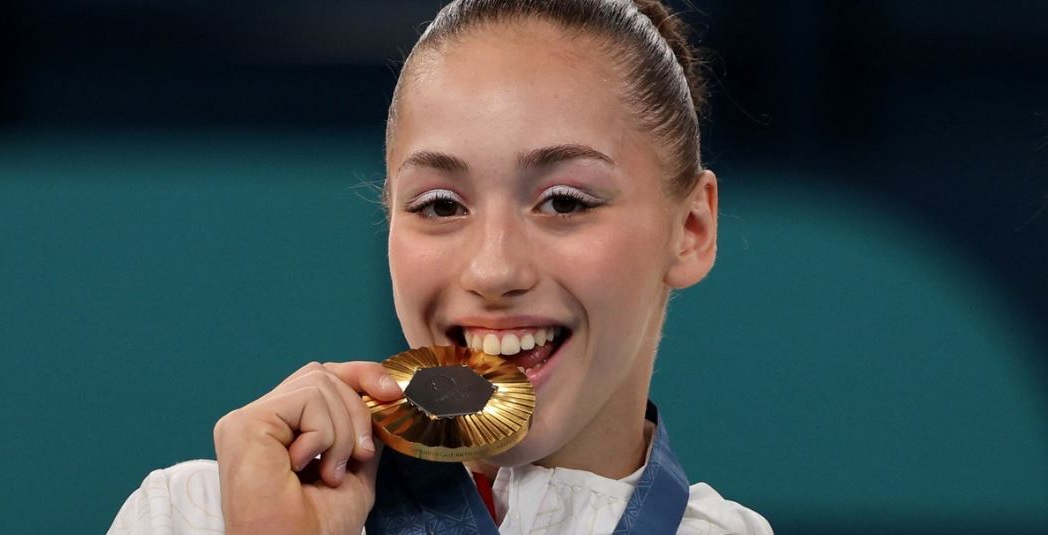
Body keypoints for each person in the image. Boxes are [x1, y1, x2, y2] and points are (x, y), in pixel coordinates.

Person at [108, 0, 773, 533]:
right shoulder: (197, 515)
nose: (493, 267)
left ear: (690, 229)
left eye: (564, 200)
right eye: (440, 204)